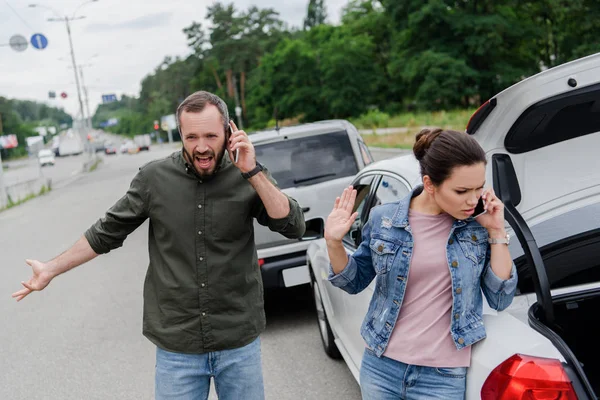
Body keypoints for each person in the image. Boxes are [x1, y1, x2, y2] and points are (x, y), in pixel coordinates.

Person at [12, 91, 306, 400]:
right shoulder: (154, 179)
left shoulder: (247, 175)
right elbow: (105, 232)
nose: (202, 147)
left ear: (229, 132)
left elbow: (292, 225)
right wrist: (50, 269)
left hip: (238, 341)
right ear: (180, 134)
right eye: (191, 137)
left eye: (210, 135)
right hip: (177, 348)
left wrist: (252, 172)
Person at [325, 128, 518, 399]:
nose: (473, 200)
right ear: (429, 184)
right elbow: (353, 281)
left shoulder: (475, 229)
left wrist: (497, 232)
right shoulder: (384, 220)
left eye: (478, 188)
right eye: (462, 190)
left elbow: (500, 298)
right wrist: (333, 242)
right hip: (381, 367)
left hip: (442, 377)